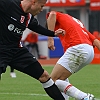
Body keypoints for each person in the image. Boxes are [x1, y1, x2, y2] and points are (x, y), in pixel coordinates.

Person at [0, 0, 66, 100]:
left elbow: (36, 27)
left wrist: (53, 34)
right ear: (34, 2)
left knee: (44, 76)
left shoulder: (29, 17)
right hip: (1, 51)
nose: (42, 9)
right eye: (42, 6)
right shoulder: (8, 4)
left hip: (17, 51)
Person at [46, 11, 100, 100]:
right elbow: (96, 42)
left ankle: (85, 97)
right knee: (61, 79)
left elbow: (52, 14)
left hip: (77, 48)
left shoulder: (58, 15)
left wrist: (50, 38)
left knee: (52, 81)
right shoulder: (78, 24)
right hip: (89, 51)